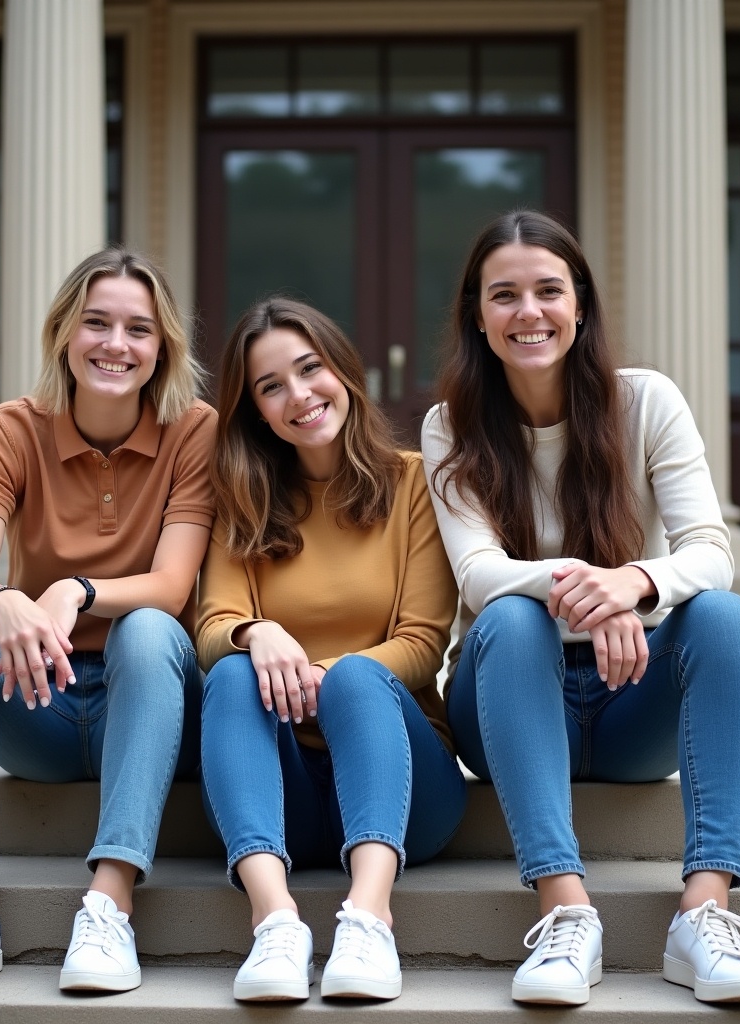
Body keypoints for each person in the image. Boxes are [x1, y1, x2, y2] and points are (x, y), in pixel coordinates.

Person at [421, 209, 740, 1007]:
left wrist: (638, 586)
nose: (529, 313)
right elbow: (480, 577)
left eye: (548, 290)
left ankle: (705, 913)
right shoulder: (451, 426)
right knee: (511, 618)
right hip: (508, 699)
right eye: (504, 295)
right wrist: (593, 587)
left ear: (579, 304)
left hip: (631, 702)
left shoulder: (646, 401)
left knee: (722, 616)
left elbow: (708, 551)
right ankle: (564, 914)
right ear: (477, 317)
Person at [0, 246, 217, 994]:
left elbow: (174, 586)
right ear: (62, 334)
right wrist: (3, 598)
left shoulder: (194, 430)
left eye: (139, 329)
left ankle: (109, 905)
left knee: (149, 629)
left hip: (144, 707)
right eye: (97, 324)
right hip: (38, 704)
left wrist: (77, 590)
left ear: (162, 347)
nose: (117, 345)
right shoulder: (10, 429)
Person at [197, 297, 466, 1003]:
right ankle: (275, 919)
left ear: (344, 371)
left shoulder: (415, 481)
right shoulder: (245, 498)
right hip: (282, 784)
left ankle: (370, 915)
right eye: (271, 385)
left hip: (403, 786)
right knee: (229, 671)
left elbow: (421, 642)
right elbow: (214, 621)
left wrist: (330, 674)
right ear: (255, 410)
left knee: (355, 681)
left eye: (310, 369)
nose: (300, 396)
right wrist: (259, 632)